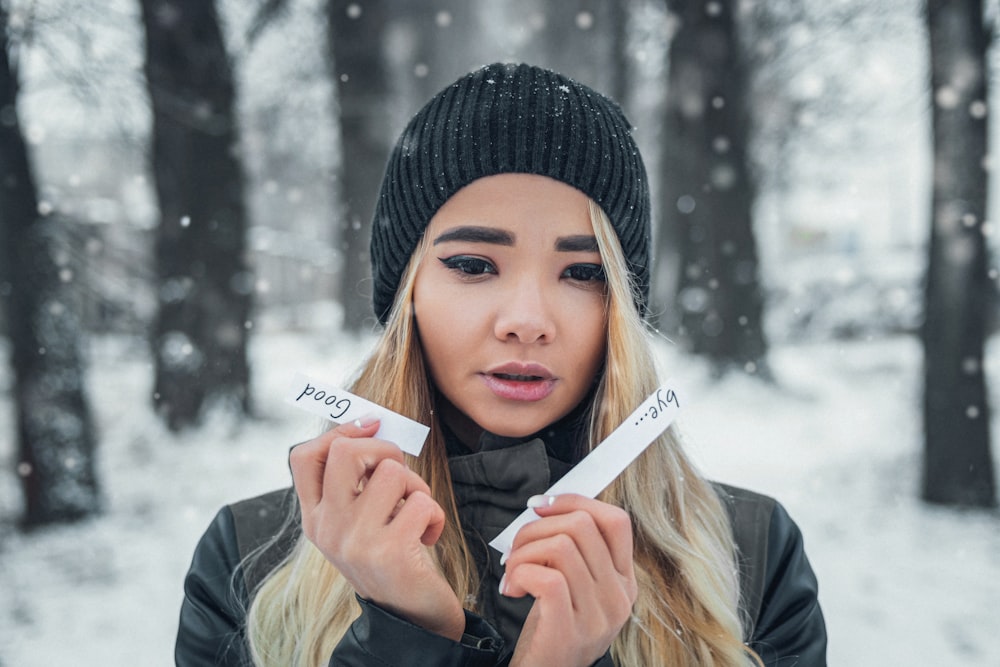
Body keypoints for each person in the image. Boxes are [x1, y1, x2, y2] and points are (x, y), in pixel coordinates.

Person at [175, 62, 826, 667]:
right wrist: (409, 630)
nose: (527, 318)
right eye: (473, 264)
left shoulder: (749, 553)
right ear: (410, 295)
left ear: (620, 309)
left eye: (582, 272)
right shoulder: (250, 559)